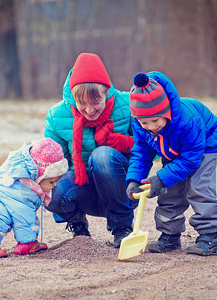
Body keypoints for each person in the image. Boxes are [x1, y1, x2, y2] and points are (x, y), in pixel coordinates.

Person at [126, 72, 217, 256]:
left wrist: (161, 179)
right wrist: (134, 179)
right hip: (173, 149)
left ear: (166, 112)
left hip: (204, 145)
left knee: (198, 187)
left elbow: (190, 160)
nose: (150, 126)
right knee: (170, 190)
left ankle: (210, 236)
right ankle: (169, 236)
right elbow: (141, 153)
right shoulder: (141, 126)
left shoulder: (188, 121)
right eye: (144, 122)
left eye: (155, 120)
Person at [44, 52, 135, 248]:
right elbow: (55, 165)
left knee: (101, 155)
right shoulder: (57, 116)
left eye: (96, 102)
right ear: (72, 97)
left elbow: (147, 151)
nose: (89, 110)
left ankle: (122, 227)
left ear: (106, 92)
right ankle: (78, 225)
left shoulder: (128, 105)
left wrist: (124, 143)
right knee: (51, 188)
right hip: (82, 187)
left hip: (122, 188)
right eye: (82, 103)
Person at [0, 138, 68, 258]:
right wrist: (25, 243)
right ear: (40, 174)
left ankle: (30, 242)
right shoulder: (21, 186)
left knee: (24, 214)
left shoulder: (28, 179)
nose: (54, 185)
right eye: (52, 181)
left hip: (0, 197)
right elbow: (23, 213)